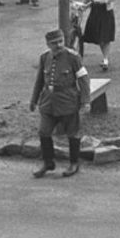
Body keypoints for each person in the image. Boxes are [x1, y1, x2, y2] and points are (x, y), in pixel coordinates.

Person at [30, 29, 90, 178]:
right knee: (44, 131)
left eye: (60, 41)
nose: (58, 45)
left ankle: (74, 163)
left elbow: (83, 79)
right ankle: (48, 162)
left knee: (72, 133)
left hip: (67, 100)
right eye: (54, 43)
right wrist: (34, 100)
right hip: (48, 102)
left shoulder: (73, 57)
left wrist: (86, 101)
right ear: (48, 44)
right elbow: (39, 81)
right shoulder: (45, 57)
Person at [70, 0, 118, 71]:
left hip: (105, 12)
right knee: (98, 37)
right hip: (94, 11)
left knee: (105, 36)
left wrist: (103, 0)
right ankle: (104, 57)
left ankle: (105, 59)